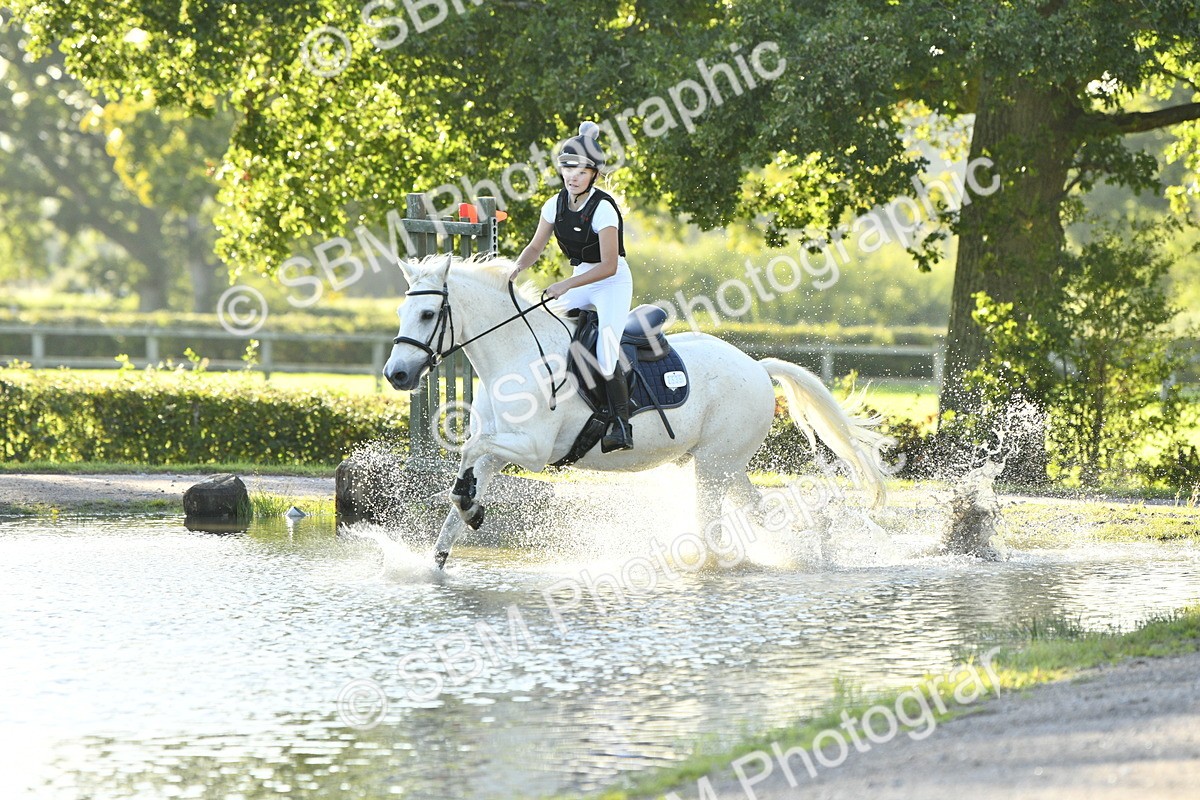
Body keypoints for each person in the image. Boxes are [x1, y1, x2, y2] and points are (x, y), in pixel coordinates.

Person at [508, 121, 634, 452]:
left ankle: (622, 425)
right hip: (581, 277)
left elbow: (608, 266)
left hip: (611, 282)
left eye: (580, 171)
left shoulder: (604, 208)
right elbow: (535, 248)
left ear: (593, 175)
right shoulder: (554, 204)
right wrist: (514, 270)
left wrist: (565, 284)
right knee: (545, 321)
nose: (572, 176)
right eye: (567, 168)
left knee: (607, 354)